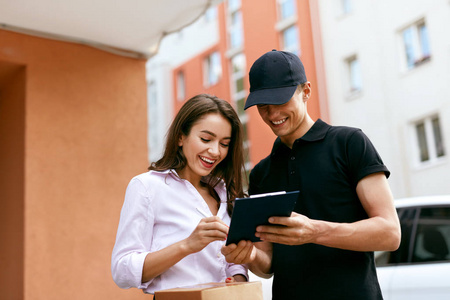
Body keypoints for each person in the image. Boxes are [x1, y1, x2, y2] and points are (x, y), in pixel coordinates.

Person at [221, 50, 401, 299]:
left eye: (281, 101)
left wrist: (314, 231)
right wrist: (249, 255)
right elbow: (268, 264)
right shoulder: (262, 173)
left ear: (306, 91)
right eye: (263, 106)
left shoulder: (349, 143)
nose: (272, 115)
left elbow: (390, 233)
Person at [111, 94, 248, 295]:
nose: (215, 151)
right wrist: (187, 245)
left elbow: (229, 262)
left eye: (224, 143)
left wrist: (237, 277)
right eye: (206, 139)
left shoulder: (224, 191)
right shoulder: (147, 187)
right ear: (180, 137)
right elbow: (122, 270)